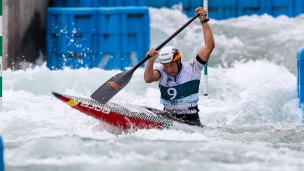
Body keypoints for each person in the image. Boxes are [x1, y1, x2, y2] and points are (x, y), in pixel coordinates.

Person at [144, 7, 215, 126]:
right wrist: (150, 62)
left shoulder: (193, 67)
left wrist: (203, 20)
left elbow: (209, 46)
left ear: (178, 61)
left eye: (171, 65)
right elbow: (148, 79)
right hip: (168, 118)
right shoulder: (161, 70)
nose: (169, 69)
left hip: (191, 121)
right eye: (165, 66)